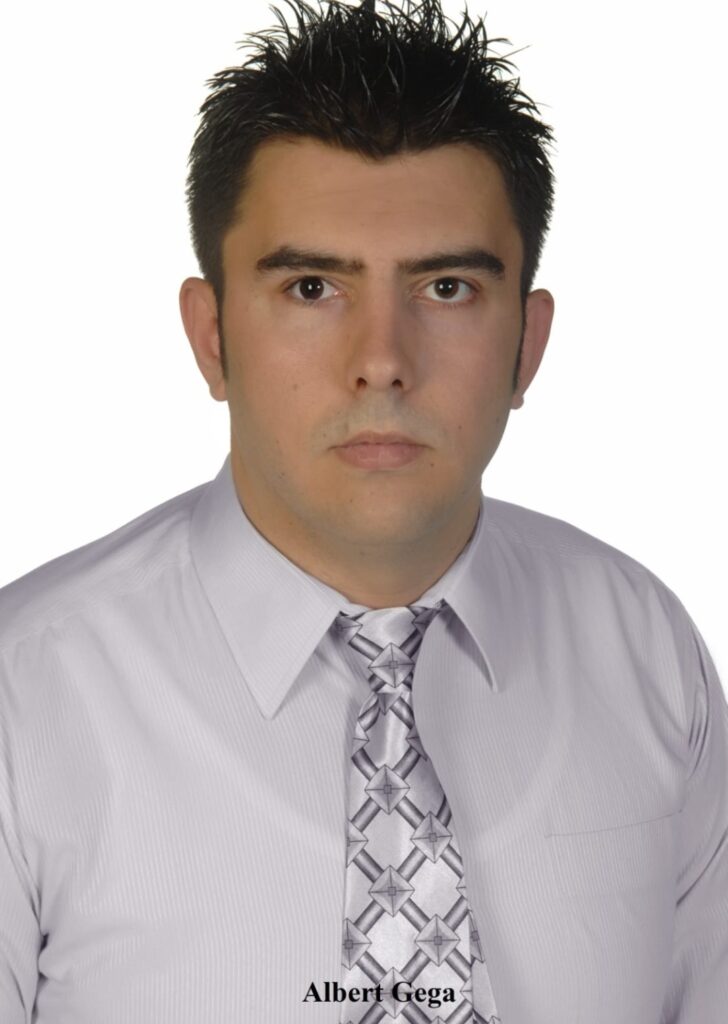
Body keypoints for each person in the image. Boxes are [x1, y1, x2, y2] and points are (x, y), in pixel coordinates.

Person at [0, 0, 725, 1021]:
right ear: (211, 338)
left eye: (445, 288)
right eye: (311, 287)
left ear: (527, 343)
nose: (381, 360)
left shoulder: (643, 650)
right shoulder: (26, 695)